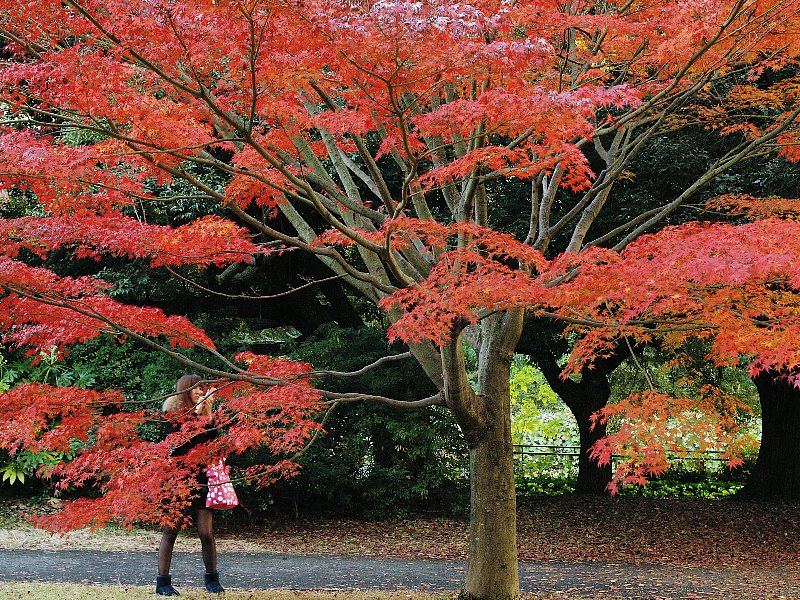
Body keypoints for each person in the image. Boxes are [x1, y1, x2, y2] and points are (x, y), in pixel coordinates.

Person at [156, 374, 225, 596]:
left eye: (202, 388)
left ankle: (212, 580)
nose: (200, 391)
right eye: (195, 388)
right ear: (185, 390)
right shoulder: (171, 414)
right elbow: (176, 445)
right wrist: (194, 416)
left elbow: (214, 444)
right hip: (177, 479)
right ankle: (163, 583)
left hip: (203, 478)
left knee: (206, 532)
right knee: (171, 530)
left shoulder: (206, 415)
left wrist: (208, 416)